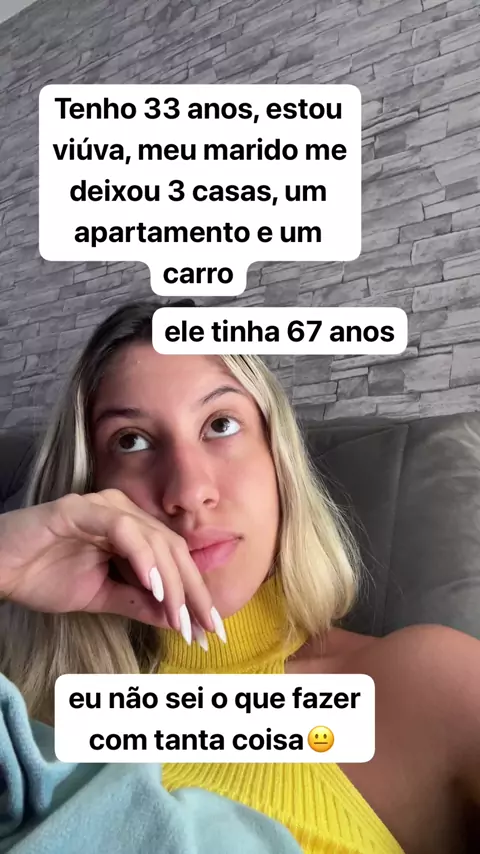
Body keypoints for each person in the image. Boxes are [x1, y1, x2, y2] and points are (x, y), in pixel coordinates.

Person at [0, 299, 478, 854]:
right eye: (131, 440)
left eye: (220, 425)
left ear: (279, 461)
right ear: (88, 488)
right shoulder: (27, 704)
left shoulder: (425, 685)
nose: (187, 492)